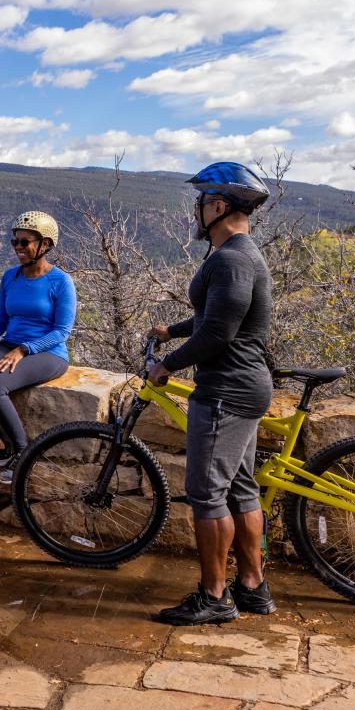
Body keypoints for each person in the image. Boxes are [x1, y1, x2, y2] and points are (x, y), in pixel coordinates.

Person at [148, 161, 276, 626]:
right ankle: (253, 586)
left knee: (207, 493)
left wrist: (169, 364)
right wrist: (173, 330)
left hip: (226, 390)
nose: (196, 210)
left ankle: (215, 595)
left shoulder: (232, 259)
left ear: (218, 206)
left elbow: (219, 333)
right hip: (242, 387)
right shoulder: (236, 256)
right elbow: (216, 315)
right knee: (241, 487)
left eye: (200, 202)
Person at [0, 211, 75, 485]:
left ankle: (22, 452)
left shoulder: (60, 282)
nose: (18, 248)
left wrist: (24, 350)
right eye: (15, 242)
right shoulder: (11, 277)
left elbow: (61, 332)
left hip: (48, 352)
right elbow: (1, 319)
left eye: (25, 242)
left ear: (45, 245)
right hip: (10, 344)